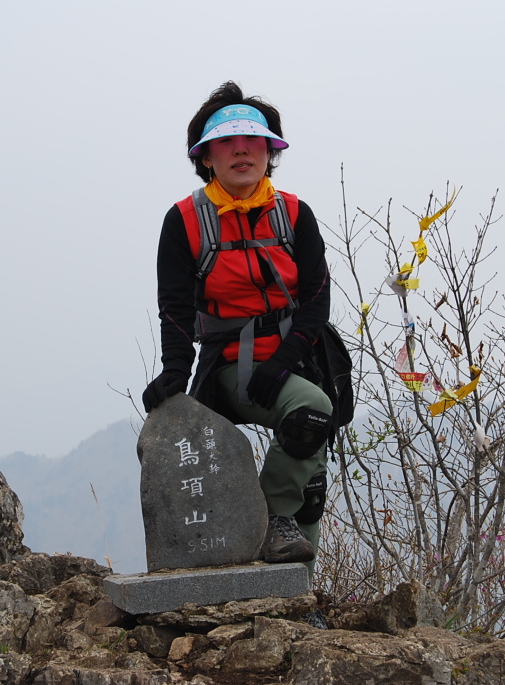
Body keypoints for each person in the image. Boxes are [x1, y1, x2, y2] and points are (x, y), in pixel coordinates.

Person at [143, 82, 333, 570]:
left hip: (296, 358)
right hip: (230, 365)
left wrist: (285, 361)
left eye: (253, 140)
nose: (241, 150)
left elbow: (315, 301)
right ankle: (268, 522)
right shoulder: (185, 221)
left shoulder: (294, 215)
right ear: (206, 157)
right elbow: (176, 309)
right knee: (311, 411)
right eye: (226, 142)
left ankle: (296, 594)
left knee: (310, 474)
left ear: (271, 152)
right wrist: (174, 374)